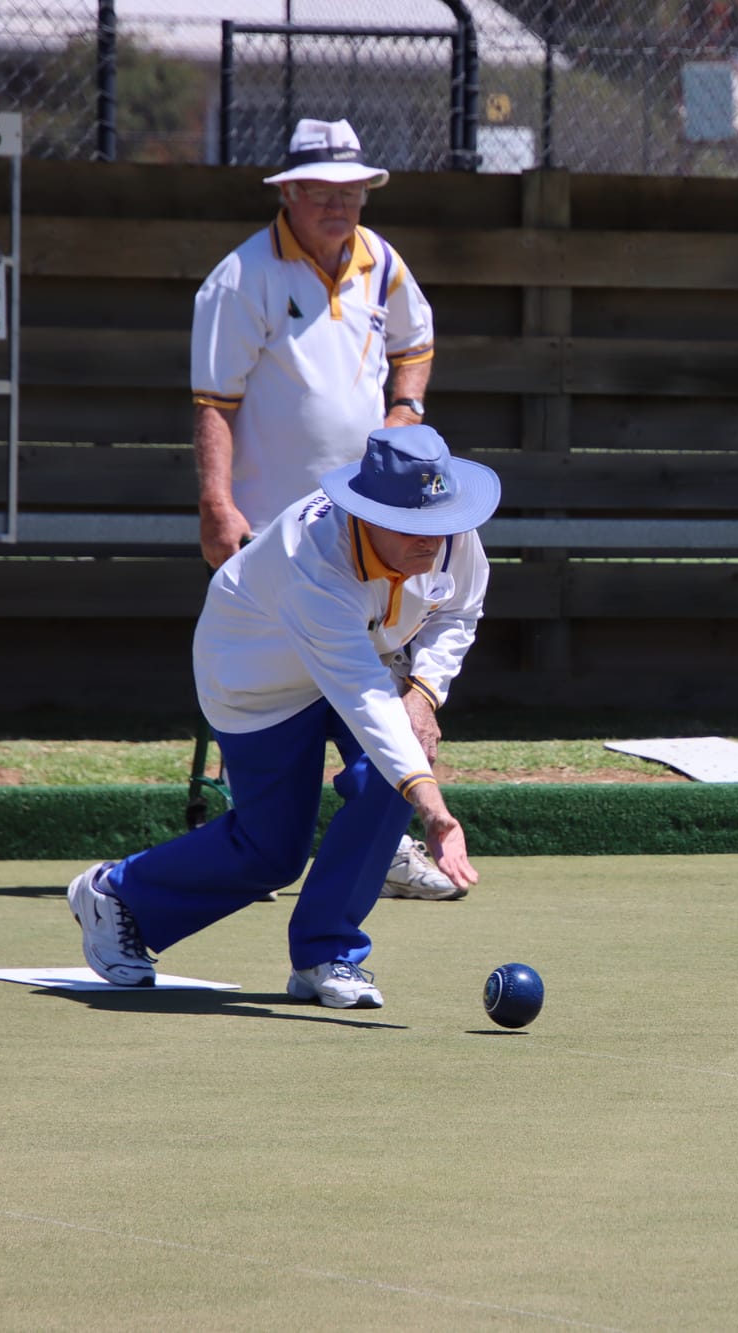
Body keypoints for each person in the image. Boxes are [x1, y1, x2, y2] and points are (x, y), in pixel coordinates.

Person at [66, 426, 498, 1009]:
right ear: (366, 514)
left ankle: (327, 954)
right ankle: (116, 893)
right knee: (273, 852)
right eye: (412, 526)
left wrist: (422, 693)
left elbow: (459, 613)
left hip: (367, 656)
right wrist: (436, 811)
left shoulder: (450, 529)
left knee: (385, 784)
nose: (433, 539)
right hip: (256, 674)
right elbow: (365, 700)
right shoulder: (315, 561)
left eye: (438, 522)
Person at [191, 115, 457, 900]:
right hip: (278, 529)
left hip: (373, 525)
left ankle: (377, 840)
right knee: (282, 684)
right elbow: (214, 401)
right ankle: (267, 836)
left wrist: (405, 411)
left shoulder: (383, 263)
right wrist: (215, 501)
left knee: (377, 680)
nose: (339, 205)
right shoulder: (240, 279)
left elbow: (416, 341)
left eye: (353, 191)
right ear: (291, 193)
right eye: (323, 191)